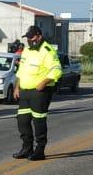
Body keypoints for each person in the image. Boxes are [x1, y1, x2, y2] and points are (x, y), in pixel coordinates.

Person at [12, 25, 62, 161]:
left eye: (32, 37)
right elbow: (21, 71)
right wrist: (17, 87)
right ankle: (27, 148)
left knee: (39, 121)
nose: (29, 40)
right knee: (22, 121)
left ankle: (40, 150)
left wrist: (44, 82)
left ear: (39, 36)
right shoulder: (27, 51)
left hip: (40, 92)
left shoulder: (47, 50)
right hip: (25, 91)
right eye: (28, 38)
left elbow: (57, 70)